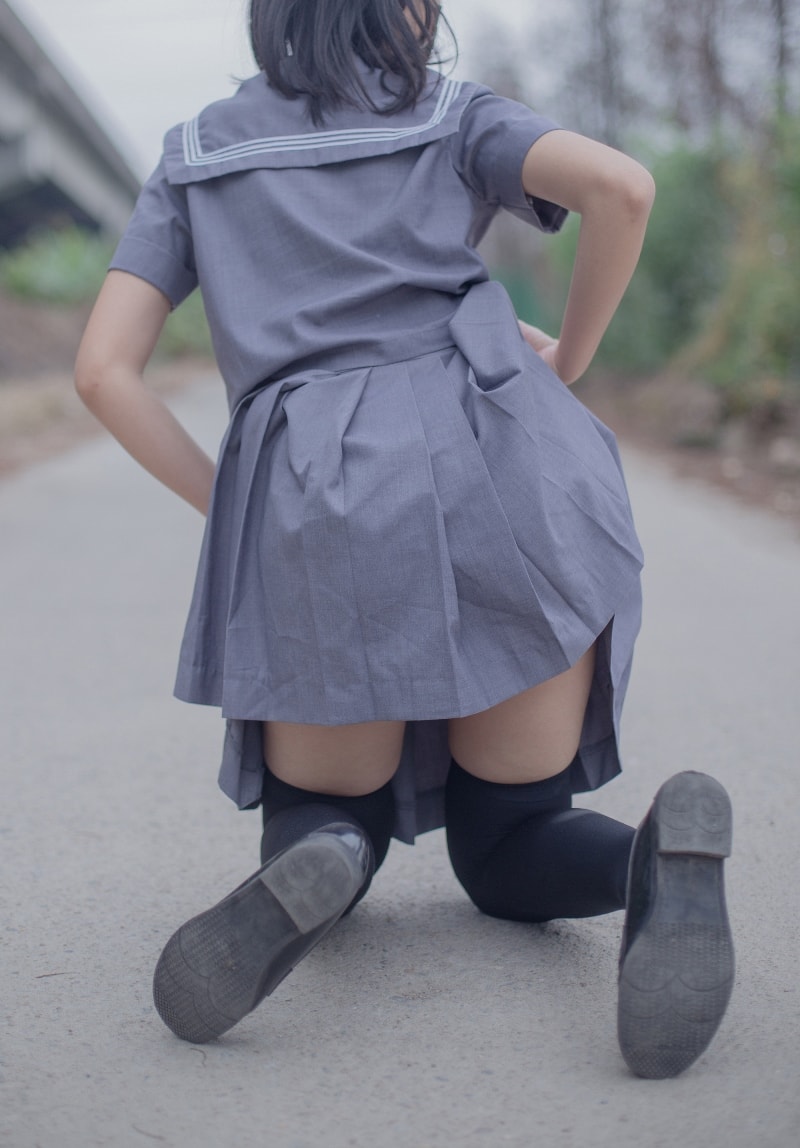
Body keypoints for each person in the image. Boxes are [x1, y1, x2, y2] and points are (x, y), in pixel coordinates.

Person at [75, 0, 733, 1078]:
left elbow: (104, 372)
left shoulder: (198, 153)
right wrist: (566, 363)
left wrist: (236, 506)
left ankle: (327, 851)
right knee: (511, 831)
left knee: (327, 806)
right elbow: (622, 186)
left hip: (319, 494)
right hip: (504, 461)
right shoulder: (449, 113)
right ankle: (651, 866)